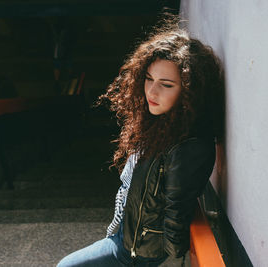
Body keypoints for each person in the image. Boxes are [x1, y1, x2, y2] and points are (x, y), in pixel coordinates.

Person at [57, 16, 225, 267]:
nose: (152, 92)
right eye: (148, 79)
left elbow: (176, 217)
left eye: (166, 85)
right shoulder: (160, 123)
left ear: (190, 91)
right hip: (125, 239)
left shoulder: (189, 146)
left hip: (140, 255)